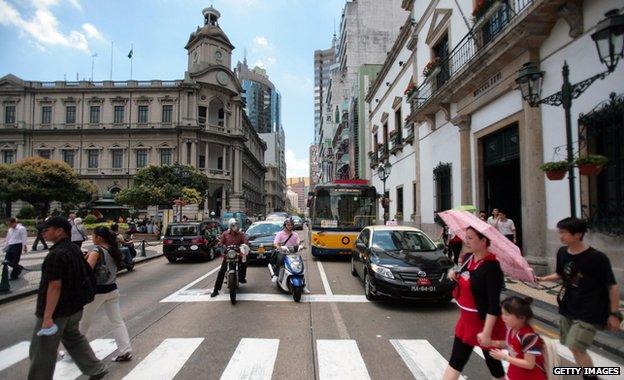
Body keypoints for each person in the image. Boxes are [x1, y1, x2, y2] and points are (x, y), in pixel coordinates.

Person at [536, 217, 620, 380]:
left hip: (591, 310)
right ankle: (588, 374)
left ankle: (591, 378)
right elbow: (561, 274)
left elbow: (612, 286)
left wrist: (614, 314)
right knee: (571, 345)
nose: (560, 236)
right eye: (560, 232)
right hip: (568, 306)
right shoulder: (562, 252)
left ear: (578, 235)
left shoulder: (597, 258)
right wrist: (543, 279)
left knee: (576, 346)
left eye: (564, 233)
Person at [28, 216, 107, 380]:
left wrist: (48, 316)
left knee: (42, 349)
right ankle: (96, 368)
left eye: (47, 229)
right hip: (74, 308)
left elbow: (54, 285)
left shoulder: (56, 255)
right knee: (74, 339)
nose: (43, 232)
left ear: (60, 231)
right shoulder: (73, 249)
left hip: (58, 311)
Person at [443, 226, 506, 380]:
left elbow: (493, 305)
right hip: (466, 323)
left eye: (470, 238)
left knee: (495, 369)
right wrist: (453, 274)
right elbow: (464, 278)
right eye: (467, 237)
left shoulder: (492, 267)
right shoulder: (467, 259)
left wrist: (486, 333)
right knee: (455, 362)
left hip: (484, 325)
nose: (467, 241)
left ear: (483, 241)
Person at [80, 226, 133, 362]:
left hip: (97, 291)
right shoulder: (113, 249)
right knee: (117, 322)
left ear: (99, 237)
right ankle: (125, 350)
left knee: (83, 323)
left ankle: (72, 352)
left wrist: (84, 258)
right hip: (112, 289)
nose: (92, 237)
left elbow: (86, 271)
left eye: (93, 235)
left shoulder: (96, 250)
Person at [489, 296, 546, 380]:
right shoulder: (511, 329)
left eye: (507, 314)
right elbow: (511, 345)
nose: (503, 317)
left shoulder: (528, 337)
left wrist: (505, 357)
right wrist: (491, 343)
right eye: (502, 313)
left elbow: (529, 364)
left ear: (522, 318)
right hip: (514, 374)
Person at [210, 218, 249, 297]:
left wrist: (246, 245)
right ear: (230, 226)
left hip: (238, 253)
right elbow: (221, 242)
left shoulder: (241, 234)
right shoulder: (225, 234)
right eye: (234, 225)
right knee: (221, 271)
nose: (236, 227)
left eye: (237, 225)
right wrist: (219, 244)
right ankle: (216, 290)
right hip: (228, 254)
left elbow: (245, 242)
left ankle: (242, 277)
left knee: (244, 263)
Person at [271, 218, 301, 282]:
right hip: (282, 252)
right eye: (288, 225)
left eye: (291, 225)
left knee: (299, 263)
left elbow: (298, 242)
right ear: (285, 225)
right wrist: (279, 247)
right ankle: (276, 275)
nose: (290, 226)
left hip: (292, 252)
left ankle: (303, 283)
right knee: (280, 259)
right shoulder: (280, 234)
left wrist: (300, 246)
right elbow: (275, 243)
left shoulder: (295, 234)